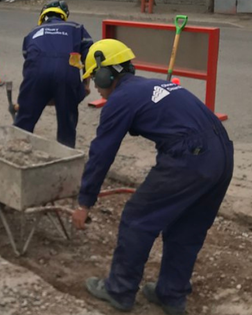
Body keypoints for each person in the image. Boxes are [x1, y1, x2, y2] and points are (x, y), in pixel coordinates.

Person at [72, 39, 233, 315]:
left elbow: (101, 154)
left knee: (137, 218)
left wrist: (84, 202)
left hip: (190, 156)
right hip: (223, 153)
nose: (96, 87)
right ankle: (171, 295)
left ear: (105, 73)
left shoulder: (119, 100)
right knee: (187, 227)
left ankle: (119, 290)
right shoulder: (151, 85)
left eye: (94, 79)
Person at [14, 0, 93, 148]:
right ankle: (65, 154)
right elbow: (89, 55)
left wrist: (33, 96)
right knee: (67, 121)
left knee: (24, 119)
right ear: (64, 16)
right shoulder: (76, 28)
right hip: (66, 75)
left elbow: (30, 61)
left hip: (36, 75)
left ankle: (15, 150)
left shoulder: (32, 32)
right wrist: (85, 84)